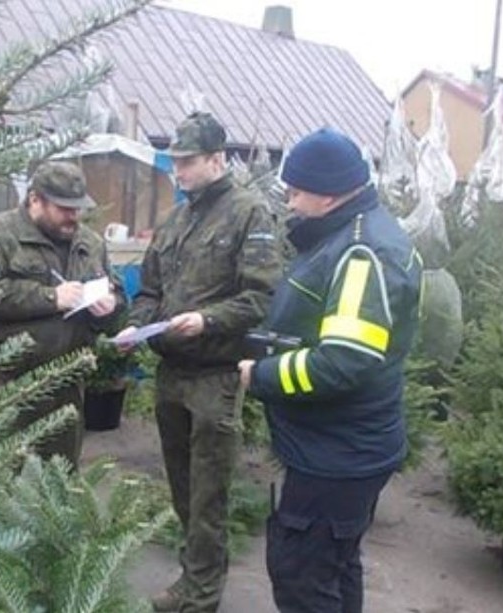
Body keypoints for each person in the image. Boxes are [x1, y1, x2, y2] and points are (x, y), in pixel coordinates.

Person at [237, 128, 423, 613]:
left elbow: (343, 362)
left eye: (296, 192)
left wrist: (262, 375)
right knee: (337, 566)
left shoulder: (361, 254)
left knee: (303, 576)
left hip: (337, 453)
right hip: (344, 446)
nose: (291, 203)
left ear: (330, 192)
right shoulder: (352, 234)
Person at [115, 112, 283, 612]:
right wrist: (138, 323)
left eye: (188, 162)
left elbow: (259, 296)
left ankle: (202, 598)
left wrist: (206, 321)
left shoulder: (248, 214)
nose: (179, 171)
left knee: (209, 496)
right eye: (175, 162)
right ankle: (192, 581)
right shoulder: (176, 220)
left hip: (215, 375)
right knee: (183, 490)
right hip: (171, 372)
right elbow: (149, 289)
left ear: (217, 159)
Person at [0, 160, 125, 469]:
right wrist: (51, 297)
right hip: (10, 384)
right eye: (64, 208)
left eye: (78, 208)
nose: (73, 216)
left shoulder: (90, 243)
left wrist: (109, 307)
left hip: (67, 385)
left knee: (59, 482)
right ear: (35, 199)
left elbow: (116, 293)